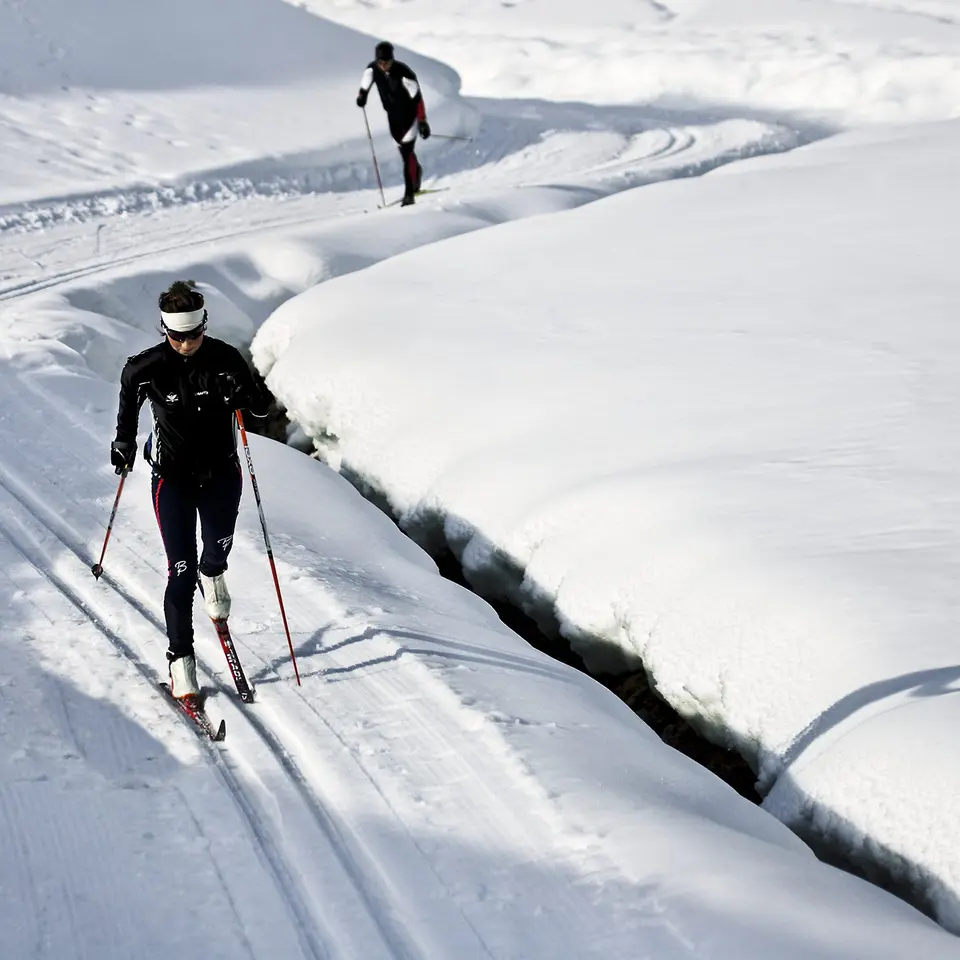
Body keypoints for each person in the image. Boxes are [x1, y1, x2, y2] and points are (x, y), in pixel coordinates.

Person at [111, 281, 270, 699]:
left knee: (217, 549)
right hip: (172, 480)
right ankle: (181, 661)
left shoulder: (225, 359)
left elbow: (261, 408)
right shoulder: (145, 368)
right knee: (179, 571)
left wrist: (247, 396)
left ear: (204, 325)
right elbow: (128, 408)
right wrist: (123, 445)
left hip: (222, 475)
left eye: (193, 335)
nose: (185, 344)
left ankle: (214, 573)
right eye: (176, 336)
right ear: (164, 330)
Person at [356, 40, 431, 207]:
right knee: (404, 152)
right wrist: (362, 96)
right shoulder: (372, 69)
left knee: (406, 152)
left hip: (410, 117)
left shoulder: (404, 73)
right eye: (380, 62)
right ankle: (416, 171)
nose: (383, 66)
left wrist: (423, 121)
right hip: (393, 118)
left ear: (392, 59)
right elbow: (365, 85)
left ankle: (409, 193)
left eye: (387, 62)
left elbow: (418, 99)